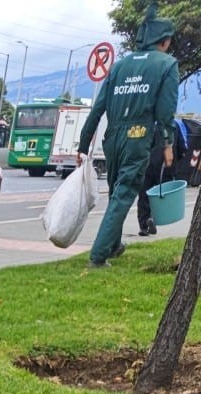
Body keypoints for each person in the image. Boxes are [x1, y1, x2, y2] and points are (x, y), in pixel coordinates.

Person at [77, 3, 179, 268]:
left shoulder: (120, 66)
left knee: (116, 193)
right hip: (138, 134)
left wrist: (83, 144)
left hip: (112, 138)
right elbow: (166, 112)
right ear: (165, 41)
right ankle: (98, 256)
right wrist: (167, 144)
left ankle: (113, 245)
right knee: (123, 194)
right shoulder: (167, 65)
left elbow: (97, 108)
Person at [136, 117, 188, 236]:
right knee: (162, 195)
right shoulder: (176, 124)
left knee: (144, 195)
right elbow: (182, 146)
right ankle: (157, 218)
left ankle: (144, 225)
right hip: (166, 166)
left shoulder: (146, 122)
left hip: (147, 165)